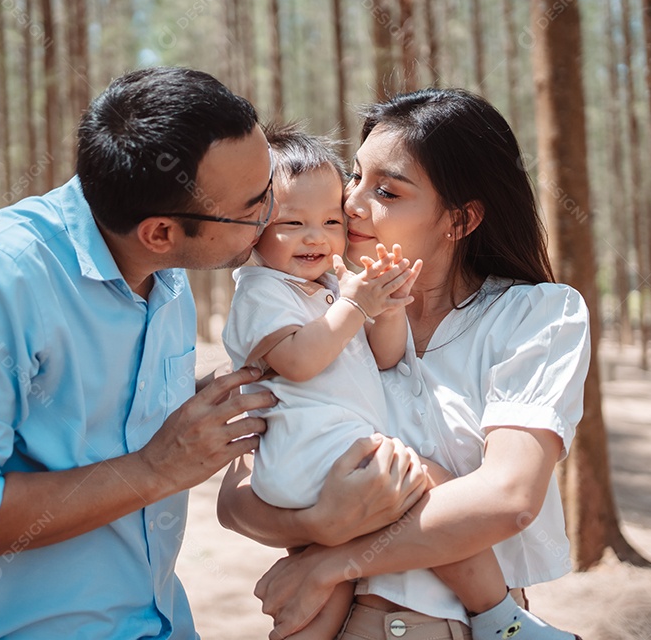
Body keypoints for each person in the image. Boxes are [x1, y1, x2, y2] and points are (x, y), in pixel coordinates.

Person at [0, 66, 293, 638]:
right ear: (159, 232)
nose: (270, 217)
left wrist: (192, 405)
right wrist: (153, 469)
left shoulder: (165, 276)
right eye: (253, 206)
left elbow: (98, 427)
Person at [218, 89, 589, 640]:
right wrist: (315, 524)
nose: (351, 204)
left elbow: (508, 500)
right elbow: (236, 498)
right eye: (355, 178)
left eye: (387, 190)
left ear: (460, 220)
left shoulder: (536, 316)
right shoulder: (312, 309)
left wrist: (332, 560)